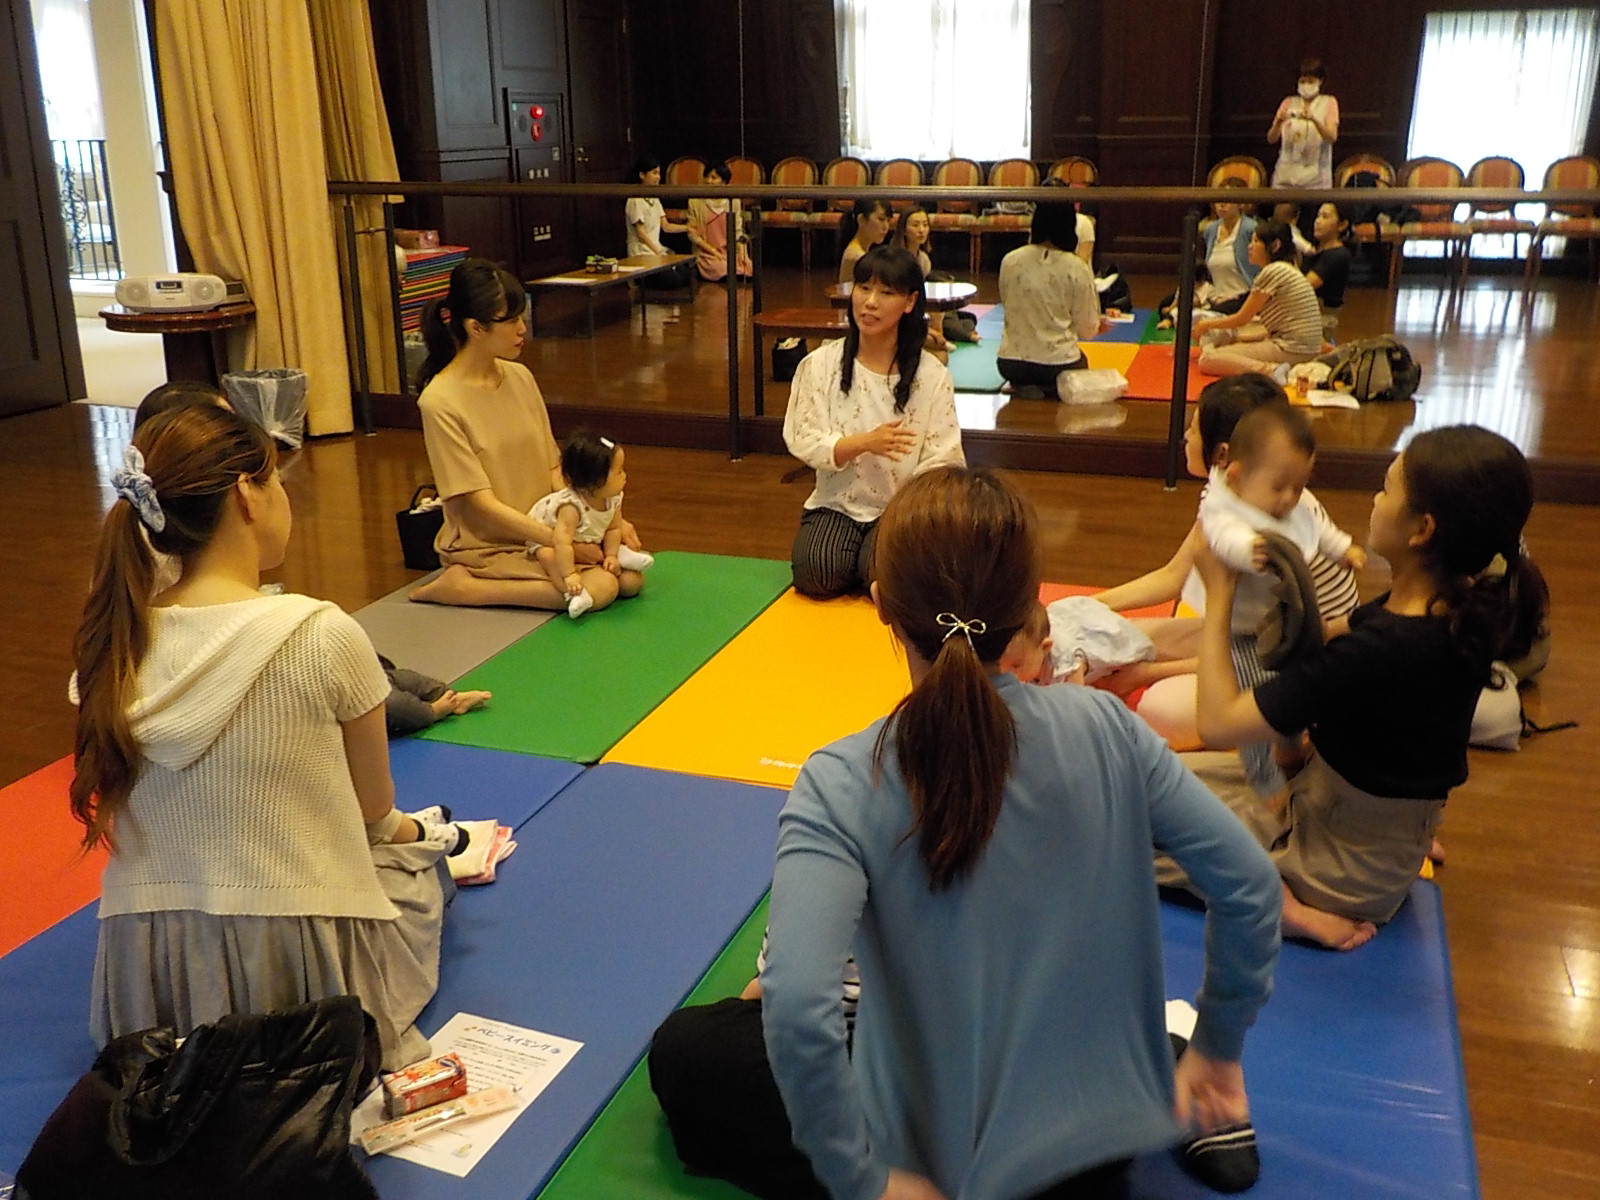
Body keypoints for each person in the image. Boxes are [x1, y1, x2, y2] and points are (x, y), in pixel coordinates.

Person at [761, 465, 1281, 1200]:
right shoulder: (1105, 726)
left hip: (940, 1168)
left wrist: (863, 1179)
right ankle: (1173, 1057)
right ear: (1031, 611)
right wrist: (1218, 1049)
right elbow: (1251, 887)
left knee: (692, 1054)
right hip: (1101, 1145)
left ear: (881, 607)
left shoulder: (841, 781)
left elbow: (793, 1007)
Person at [71, 403, 454, 1070]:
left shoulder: (114, 642)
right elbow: (373, 815)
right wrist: (424, 837)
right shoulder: (318, 632)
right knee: (418, 873)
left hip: (149, 966)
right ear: (247, 495)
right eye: (277, 479)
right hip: (296, 956)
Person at [1191, 425, 1543, 950]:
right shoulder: (1454, 608)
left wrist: (1220, 590)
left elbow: (1216, 724)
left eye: (1386, 489)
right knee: (1155, 777)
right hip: (1364, 832)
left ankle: (1280, 904)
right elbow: (1324, 642)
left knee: (1126, 826)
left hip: (1337, 869)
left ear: (1422, 529)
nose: (1375, 501)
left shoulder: (1383, 648)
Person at [1092, 375, 1359, 750]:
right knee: (1119, 635)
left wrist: (1146, 674)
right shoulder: (1231, 496)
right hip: (1243, 635)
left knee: (1157, 707)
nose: (1186, 437)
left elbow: (1258, 652)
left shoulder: (1272, 522)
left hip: (1290, 661)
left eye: (1193, 428)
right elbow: (1172, 576)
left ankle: (1274, 741)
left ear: (1222, 454)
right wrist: (1089, 605)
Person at [409, 259, 640, 613]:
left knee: (629, 579)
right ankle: (465, 587)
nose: (523, 328)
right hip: (490, 544)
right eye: (511, 320)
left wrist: (597, 520)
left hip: (549, 527)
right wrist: (562, 542)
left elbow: (554, 470)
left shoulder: (520, 377)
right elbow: (481, 506)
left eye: (523, 317)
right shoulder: (439, 401)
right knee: (603, 586)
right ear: (476, 328)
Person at [1198, 404, 1366, 791]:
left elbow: (1316, 526)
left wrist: (1342, 548)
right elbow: (1222, 536)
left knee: (1292, 693)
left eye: (1299, 486)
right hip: (1243, 634)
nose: (1290, 498)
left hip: (1284, 624)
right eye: (1279, 487)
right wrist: (1250, 550)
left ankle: (1290, 748)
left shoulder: (1290, 501)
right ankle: (1266, 785)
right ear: (1236, 476)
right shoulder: (1225, 507)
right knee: (1253, 708)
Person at [782, 245, 963, 599]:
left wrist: (908, 512)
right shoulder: (820, 364)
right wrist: (863, 443)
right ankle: (852, 555)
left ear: (910, 302)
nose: (870, 302)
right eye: (863, 288)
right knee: (817, 573)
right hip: (837, 504)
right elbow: (802, 437)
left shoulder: (932, 376)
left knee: (886, 578)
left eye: (886, 293)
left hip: (901, 512)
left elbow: (945, 458)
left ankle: (871, 559)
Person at [527, 430, 653, 618]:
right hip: (548, 538)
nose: (625, 475)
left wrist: (611, 555)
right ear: (594, 481)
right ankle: (573, 593)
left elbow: (613, 528)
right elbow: (561, 543)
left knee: (631, 583)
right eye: (619, 471)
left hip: (585, 536)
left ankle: (620, 554)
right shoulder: (571, 507)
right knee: (548, 556)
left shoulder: (613, 497)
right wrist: (570, 574)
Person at [996, 196, 1105, 400]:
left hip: (1011, 364)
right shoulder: (1076, 267)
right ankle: (1049, 388)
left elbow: (1007, 303)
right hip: (1058, 365)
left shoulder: (1010, 260)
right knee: (1081, 362)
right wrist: (1098, 325)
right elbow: (1087, 329)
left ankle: (1024, 386)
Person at [1194, 220, 1324, 378]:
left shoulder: (1274, 270)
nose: (1250, 246)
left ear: (1275, 246)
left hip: (1293, 349)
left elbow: (1242, 318)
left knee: (1208, 359)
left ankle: (1272, 371)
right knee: (1222, 337)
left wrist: (1205, 324)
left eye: (1256, 241)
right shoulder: (1288, 269)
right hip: (1299, 347)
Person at [891, 205, 952, 362]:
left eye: (925, 225)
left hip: (917, 314)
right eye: (915, 225)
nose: (921, 230)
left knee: (962, 319)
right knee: (941, 354)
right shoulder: (895, 260)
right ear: (903, 230)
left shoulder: (923, 259)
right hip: (898, 318)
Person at [1268, 58, 1339, 190]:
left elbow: (1331, 137)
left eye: (1310, 81)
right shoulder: (1288, 102)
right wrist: (1278, 123)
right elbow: (1271, 139)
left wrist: (1314, 120)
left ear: (1320, 81)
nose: (1306, 85)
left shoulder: (1329, 102)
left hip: (1316, 180)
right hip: (1286, 176)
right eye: (1302, 81)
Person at [626, 154, 693, 288]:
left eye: (659, 173)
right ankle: (639, 280)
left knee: (686, 275)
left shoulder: (654, 198)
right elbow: (641, 233)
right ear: (642, 175)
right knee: (674, 281)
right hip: (642, 254)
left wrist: (688, 227)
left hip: (657, 252)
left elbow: (666, 226)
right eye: (654, 173)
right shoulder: (634, 200)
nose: (658, 177)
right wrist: (658, 252)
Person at [1199, 179, 1258, 315]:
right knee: (1168, 305)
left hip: (1244, 298)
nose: (1222, 204)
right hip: (1216, 297)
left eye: (1228, 200)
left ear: (1240, 203)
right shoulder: (1210, 229)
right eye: (1219, 199)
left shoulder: (1251, 229)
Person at [687, 161, 752, 282]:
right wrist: (714, 252)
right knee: (721, 268)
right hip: (707, 253)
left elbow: (738, 231)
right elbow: (693, 234)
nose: (709, 181)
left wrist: (744, 254)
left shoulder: (733, 201)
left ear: (724, 181)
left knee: (748, 268)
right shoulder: (695, 201)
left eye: (714, 178)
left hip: (729, 252)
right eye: (707, 177)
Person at [1304, 202, 1353, 341]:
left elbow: (1305, 285)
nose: (1317, 221)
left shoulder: (1338, 255)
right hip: (1306, 317)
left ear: (1342, 225)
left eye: (1325, 217)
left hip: (1320, 323)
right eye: (1318, 216)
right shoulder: (1314, 251)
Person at [838, 198, 893, 284]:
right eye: (881, 219)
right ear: (861, 219)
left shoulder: (862, 251)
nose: (886, 227)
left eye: (888, 220)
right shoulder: (856, 256)